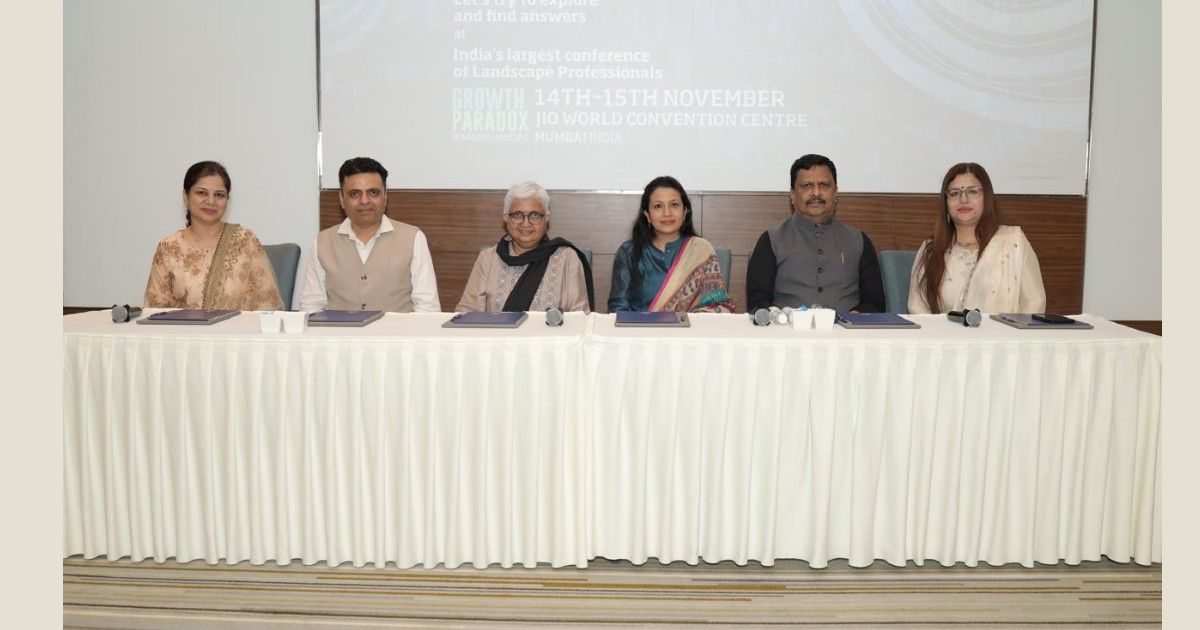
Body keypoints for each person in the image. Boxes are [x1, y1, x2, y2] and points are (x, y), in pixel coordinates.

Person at [746, 154, 884, 312]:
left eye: (824, 185)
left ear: (836, 192)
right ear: (792, 194)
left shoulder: (859, 241)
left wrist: (853, 320)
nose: (816, 193)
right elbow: (758, 302)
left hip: (848, 332)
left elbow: (875, 301)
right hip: (787, 332)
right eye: (806, 186)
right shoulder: (771, 240)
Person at [299, 157, 440, 312]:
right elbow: (311, 306)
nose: (365, 201)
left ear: (385, 196)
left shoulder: (413, 238)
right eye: (354, 194)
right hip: (341, 335)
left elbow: (427, 308)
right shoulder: (323, 241)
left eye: (373, 192)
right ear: (341, 199)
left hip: (396, 335)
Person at [907, 162, 1046, 313]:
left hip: (1005, 334)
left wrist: (1012, 336)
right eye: (954, 193)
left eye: (972, 191)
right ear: (945, 203)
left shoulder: (1013, 242)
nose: (964, 199)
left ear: (986, 198)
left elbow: (1034, 301)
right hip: (945, 335)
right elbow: (917, 307)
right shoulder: (931, 249)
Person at [143, 161, 283, 310]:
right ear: (186, 196)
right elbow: (155, 312)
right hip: (185, 333)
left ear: (227, 200)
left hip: (239, 332)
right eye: (202, 193)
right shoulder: (170, 248)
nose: (211, 201)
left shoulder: (245, 241)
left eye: (219, 195)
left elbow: (268, 303)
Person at [456, 182, 594, 313]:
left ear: (546, 218)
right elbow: (466, 314)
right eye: (517, 215)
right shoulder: (488, 259)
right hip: (498, 338)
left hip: (550, 338)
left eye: (534, 215)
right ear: (506, 218)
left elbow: (579, 318)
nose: (526, 223)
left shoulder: (567, 258)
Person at [608, 176, 735, 313]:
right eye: (658, 206)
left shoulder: (701, 250)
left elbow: (716, 306)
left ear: (685, 211)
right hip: (642, 332)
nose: (667, 213)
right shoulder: (629, 252)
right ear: (647, 214)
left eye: (674, 205)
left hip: (691, 332)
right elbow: (618, 310)